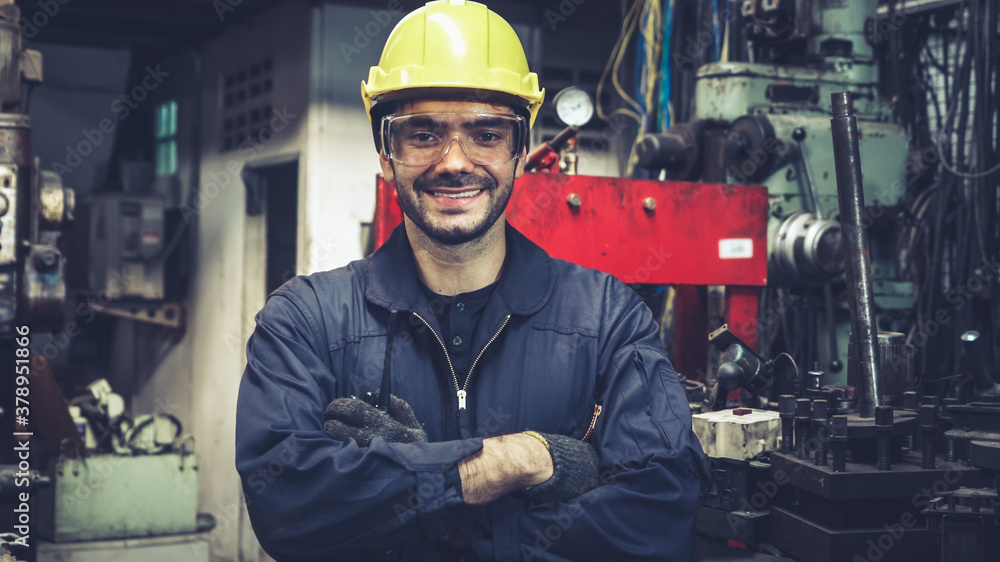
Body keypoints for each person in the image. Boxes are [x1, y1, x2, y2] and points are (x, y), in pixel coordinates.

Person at [235, 1, 707, 560]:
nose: (454, 161)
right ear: (385, 153)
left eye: (486, 134)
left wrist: (430, 512)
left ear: (520, 151)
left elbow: (662, 508)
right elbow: (286, 504)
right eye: (423, 134)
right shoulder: (305, 320)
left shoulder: (608, 320)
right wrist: (512, 463)